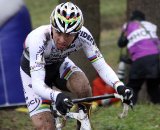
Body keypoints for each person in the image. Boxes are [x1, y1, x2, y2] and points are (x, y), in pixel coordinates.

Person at [20, 2, 133, 130]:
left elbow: (101, 66)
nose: (62, 40)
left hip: (59, 64)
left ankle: (84, 126)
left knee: (84, 87)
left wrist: (119, 86)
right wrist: (57, 96)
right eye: (58, 32)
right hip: (32, 73)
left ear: (77, 33)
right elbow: (38, 84)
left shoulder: (83, 35)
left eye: (68, 35)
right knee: (45, 127)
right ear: (52, 27)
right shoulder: (38, 38)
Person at [117, 10, 160, 105]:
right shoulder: (151, 25)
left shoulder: (128, 25)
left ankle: (128, 109)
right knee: (153, 87)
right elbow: (148, 47)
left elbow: (120, 43)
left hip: (140, 59)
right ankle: (157, 107)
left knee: (133, 86)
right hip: (155, 59)